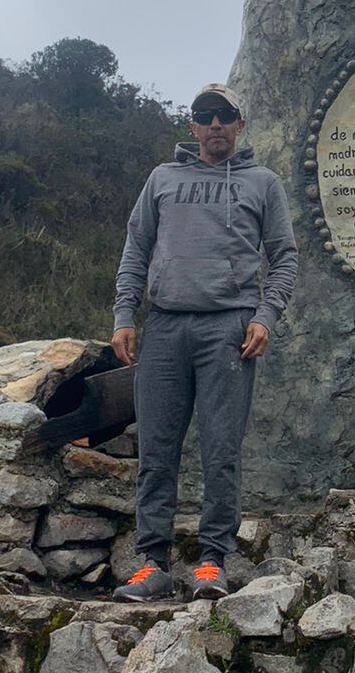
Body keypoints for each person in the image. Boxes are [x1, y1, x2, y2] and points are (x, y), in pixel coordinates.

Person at [109, 83, 297, 601]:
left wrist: (266, 315)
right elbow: (137, 246)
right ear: (191, 126)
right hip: (165, 326)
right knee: (157, 449)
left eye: (225, 115)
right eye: (204, 115)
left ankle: (212, 563)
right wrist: (126, 313)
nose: (215, 124)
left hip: (229, 329)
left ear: (240, 124)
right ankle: (152, 564)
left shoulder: (263, 183)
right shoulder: (163, 179)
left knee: (221, 451)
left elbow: (284, 256)